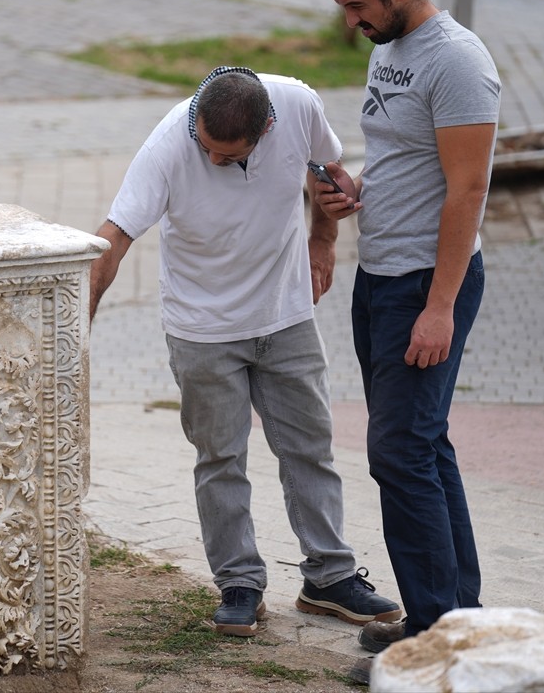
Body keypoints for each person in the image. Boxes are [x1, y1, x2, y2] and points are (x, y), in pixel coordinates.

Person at [88, 66, 401, 638]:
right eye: (204, 148)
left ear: (266, 130)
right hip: (201, 328)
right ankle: (239, 583)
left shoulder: (298, 105)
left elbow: (327, 173)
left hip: (284, 315)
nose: (211, 162)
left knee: (310, 447)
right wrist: (75, 327)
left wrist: (322, 240)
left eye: (227, 157)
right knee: (221, 457)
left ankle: (328, 578)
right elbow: (115, 236)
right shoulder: (169, 144)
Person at [314, 0, 502, 684]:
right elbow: (404, 153)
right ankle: (457, 615)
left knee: (398, 451)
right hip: (381, 278)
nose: (351, 24)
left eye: (359, 7)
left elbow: (469, 188)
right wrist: (360, 188)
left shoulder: (456, 61)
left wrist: (440, 307)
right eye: (343, 10)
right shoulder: (390, 50)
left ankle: (432, 645)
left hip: (427, 286)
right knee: (423, 445)